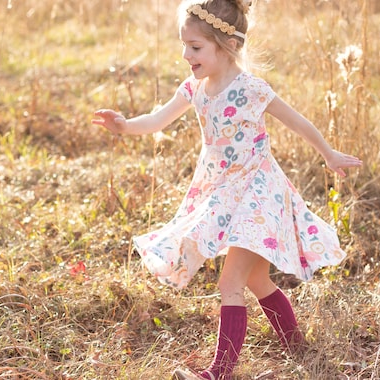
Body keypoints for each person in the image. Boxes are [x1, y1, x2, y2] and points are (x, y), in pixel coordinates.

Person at [92, 0, 363, 378]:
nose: (186, 54)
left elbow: (298, 122)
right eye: (184, 45)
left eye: (196, 47)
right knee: (256, 279)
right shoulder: (194, 88)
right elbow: (157, 120)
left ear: (228, 45)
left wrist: (329, 154)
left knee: (231, 281)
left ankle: (219, 373)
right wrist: (124, 125)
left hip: (258, 190)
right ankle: (298, 347)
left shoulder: (251, 88)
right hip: (224, 192)